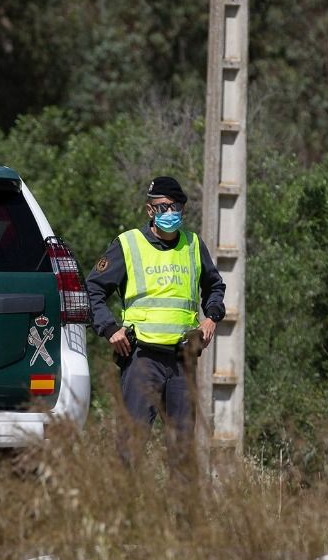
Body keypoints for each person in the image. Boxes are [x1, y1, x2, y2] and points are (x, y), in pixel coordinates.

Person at [86, 175, 227, 464]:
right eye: (163, 207)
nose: (170, 213)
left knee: (183, 450)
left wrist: (212, 317)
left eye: (176, 207)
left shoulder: (193, 245)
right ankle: (126, 509)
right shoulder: (128, 244)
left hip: (182, 360)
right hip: (141, 359)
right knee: (131, 447)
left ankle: (184, 511)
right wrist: (109, 328)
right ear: (150, 210)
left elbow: (214, 286)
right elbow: (93, 289)